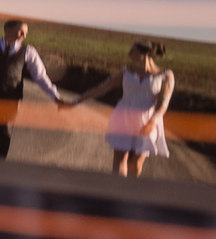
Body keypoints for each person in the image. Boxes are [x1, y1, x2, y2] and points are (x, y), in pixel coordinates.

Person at [67, 40, 174, 177]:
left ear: (146, 53)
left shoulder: (166, 75)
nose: (129, 55)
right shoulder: (126, 71)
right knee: (119, 158)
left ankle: (130, 192)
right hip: (123, 116)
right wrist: (77, 101)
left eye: (133, 51)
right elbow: (102, 88)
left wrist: (152, 122)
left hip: (148, 120)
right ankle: (116, 193)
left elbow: (163, 103)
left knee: (136, 163)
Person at [0, 20, 64, 158]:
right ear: (8, 30)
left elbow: (40, 76)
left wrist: (55, 95)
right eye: (21, 32)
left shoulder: (29, 52)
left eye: (25, 33)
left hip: (12, 97)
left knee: (5, 131)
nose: (23, 36)